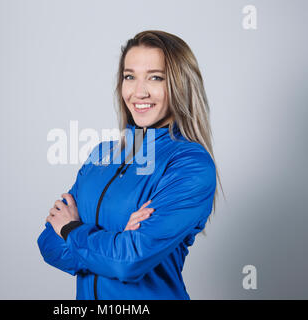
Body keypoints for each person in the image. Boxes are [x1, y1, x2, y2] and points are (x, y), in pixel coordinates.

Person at [37, 30, 224, 300]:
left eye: (156, 77)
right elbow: (49, 246)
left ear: (180, 85)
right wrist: (116, 241)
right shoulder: (103, 154)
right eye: (129, 76)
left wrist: (72, 229)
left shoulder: (190, 165)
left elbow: (129, 261)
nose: (139, 91)